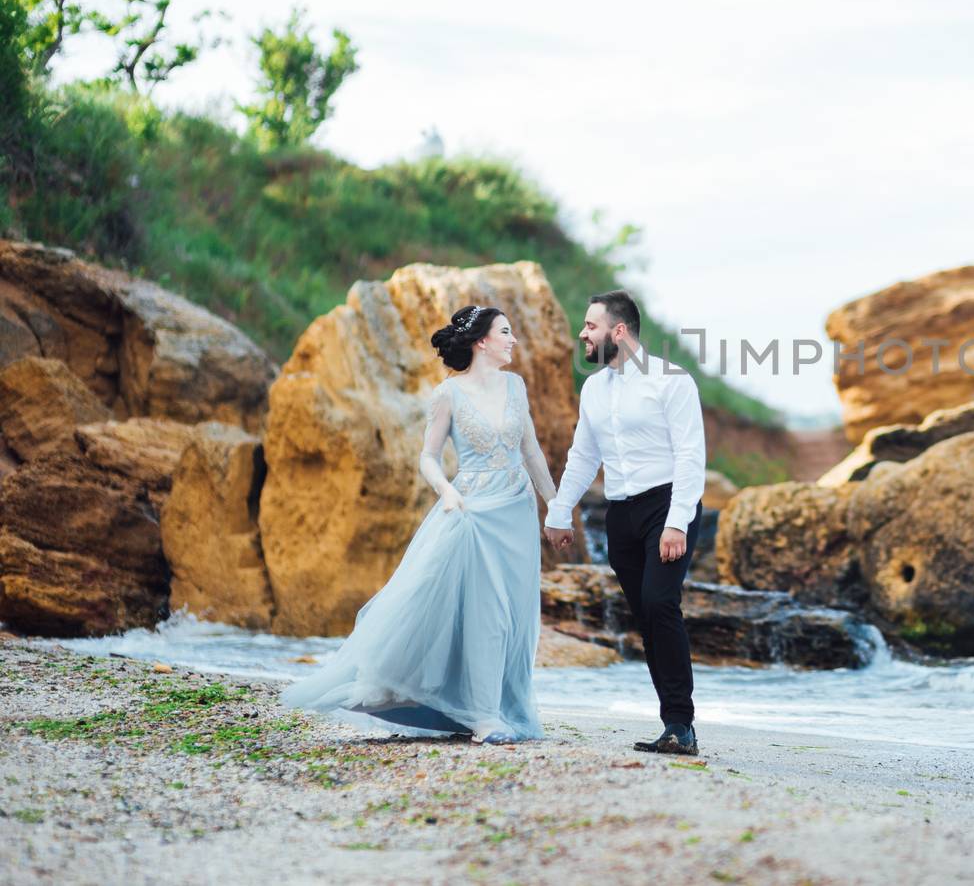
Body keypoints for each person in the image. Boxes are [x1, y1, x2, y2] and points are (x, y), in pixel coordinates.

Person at [280, 305, 559, 745]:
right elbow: (427, 456)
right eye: (506, 332)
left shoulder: (516, 386)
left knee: (515, 617)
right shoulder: (448, 394)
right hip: (470, 511)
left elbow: (531, 452)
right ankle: (483, 717)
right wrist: (447, 492)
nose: (514, 340)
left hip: (517, 512)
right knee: (486, 616)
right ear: (482, 341)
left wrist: (555, 507)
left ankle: (503, 707)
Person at [543, 289, 707, 756]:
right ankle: (673, 725)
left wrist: (677, 522)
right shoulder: (593, 389)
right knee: (646, 617)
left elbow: (692, 456)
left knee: (660, 604)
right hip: (621, 514)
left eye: (590, 326)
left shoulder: (672, 381)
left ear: (619, 331)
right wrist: (559, 510)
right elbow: (583, 456)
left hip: (666, 506)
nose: (583, 334)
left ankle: (681, 723)